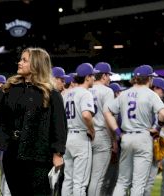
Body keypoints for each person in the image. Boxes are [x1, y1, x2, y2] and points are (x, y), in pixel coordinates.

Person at [0, 47, 67, 195]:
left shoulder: (51, 93)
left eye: (24, 60)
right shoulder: (11, 88)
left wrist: (58, 155)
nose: (19, 63)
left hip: (39, 157)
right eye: (20, 59)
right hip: (13, 155)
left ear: (36, 64)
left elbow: (59, 126)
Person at [104, 64, 164, 196]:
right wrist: (157, 128)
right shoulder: (151, 94)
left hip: (126, 137)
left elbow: (107, 112)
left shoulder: (124, 94)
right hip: (143, 137)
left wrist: (117, 132)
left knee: (122, 182)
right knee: (139, 183)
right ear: (149, 79)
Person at [61, 63, 98, 196]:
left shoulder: (66, 94)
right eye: (93, 75)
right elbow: (86, 115)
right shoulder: (85, 93)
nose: (94, 78)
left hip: (67, 137)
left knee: (68, 180)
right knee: (80, 183)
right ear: (87, 77)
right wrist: (92, 130)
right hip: (80, 138)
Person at [88, 62, 115, 196]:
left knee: (83, 179)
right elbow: (107, 118)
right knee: (97, 179)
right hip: (101, 135)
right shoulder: (107, 91)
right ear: (103, 75)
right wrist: (114, 140)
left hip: (85, 135)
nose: (109, 78)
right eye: (108, 75)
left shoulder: (85, 88)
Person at [144, 76, 164, 196]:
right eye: (162, 90)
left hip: (142, 141)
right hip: (148, 142)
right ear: (155, 87)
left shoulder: (144, 99)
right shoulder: (152, 101)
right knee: (147, 181)